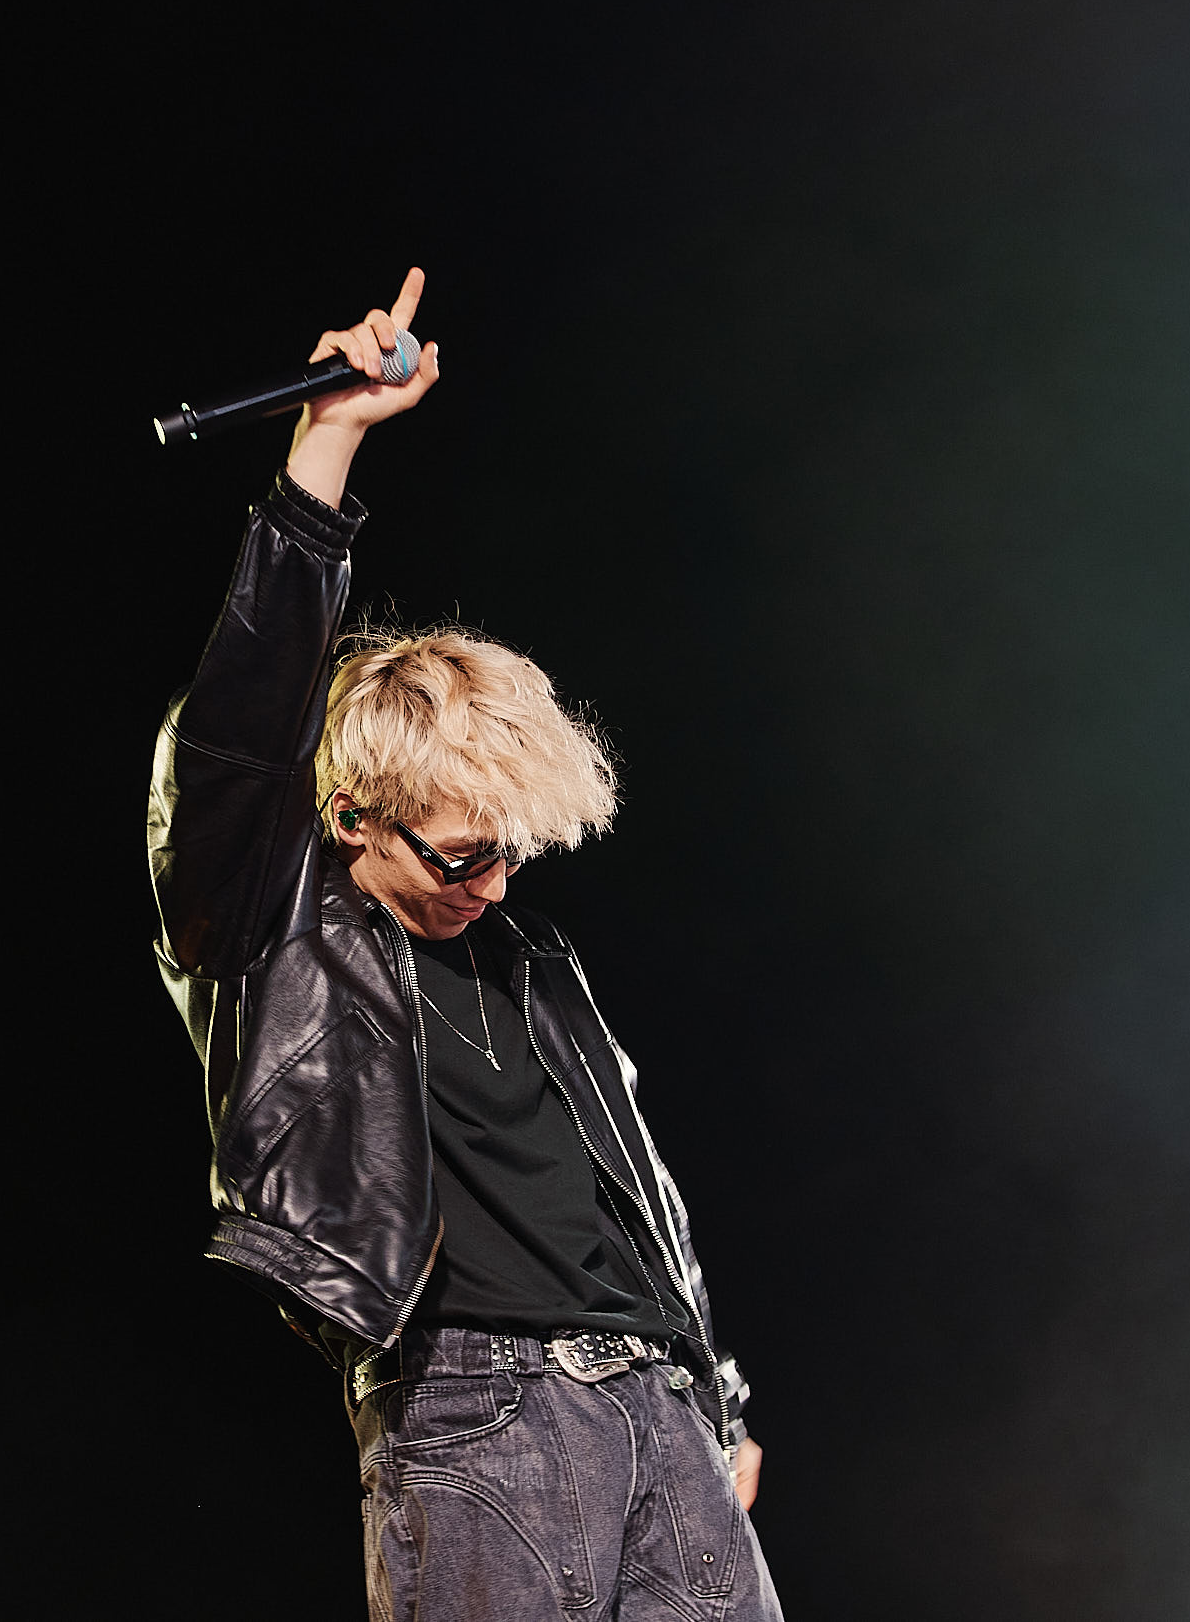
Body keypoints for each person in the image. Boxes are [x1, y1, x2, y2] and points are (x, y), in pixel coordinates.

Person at [147, 269, 780, 1620]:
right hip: (481, 1411)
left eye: (510, 852)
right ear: (350, 815)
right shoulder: (271, 922)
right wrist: (330, 438)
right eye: (456, 856)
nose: (491, 885)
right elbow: (242, 728)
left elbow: (636, 1193)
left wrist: (712, 1401)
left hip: (662, 1418)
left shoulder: (533, 963)